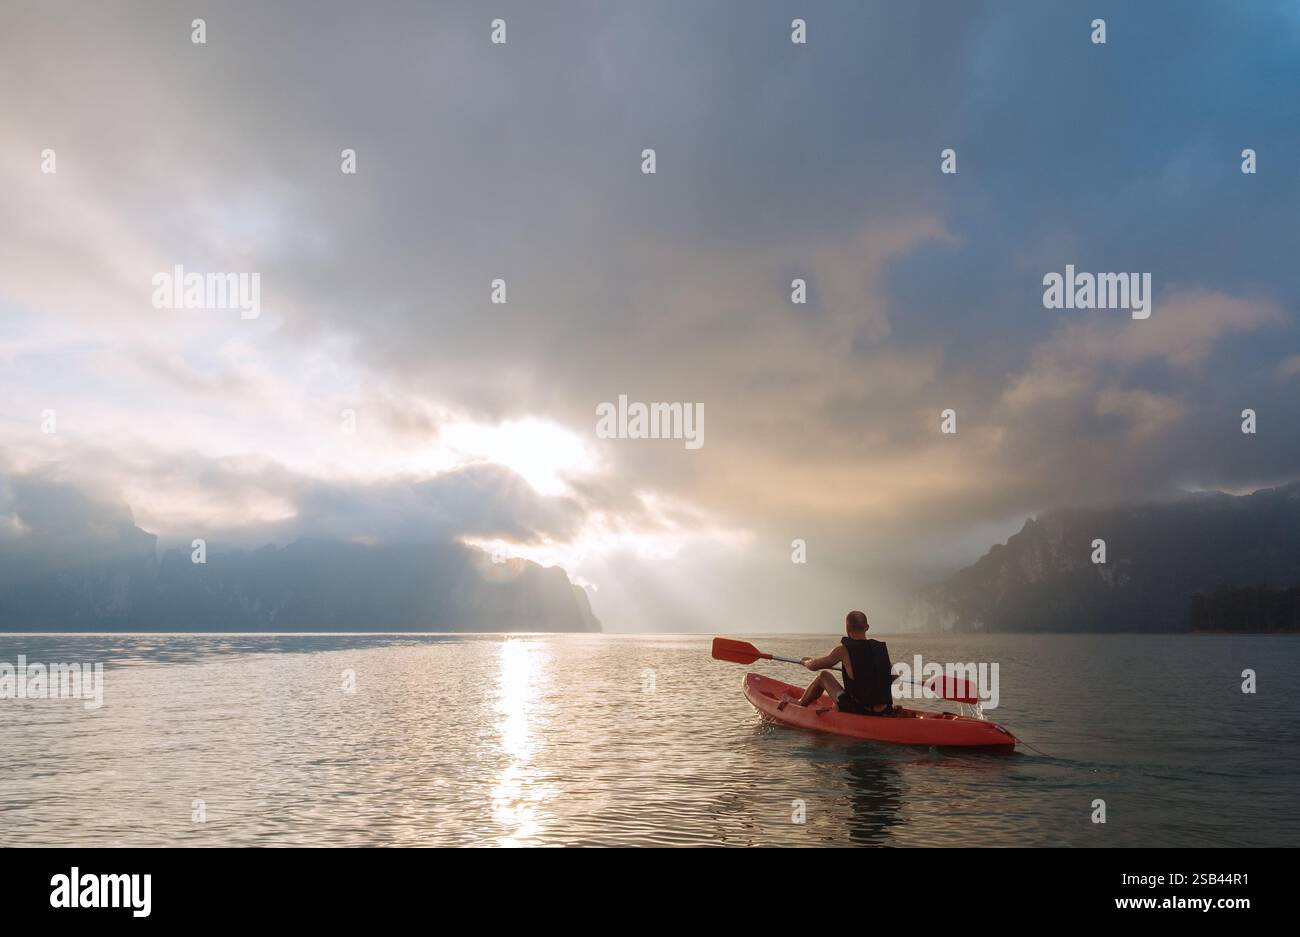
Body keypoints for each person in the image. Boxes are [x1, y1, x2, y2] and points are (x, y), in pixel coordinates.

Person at [779, 610, 896, 715]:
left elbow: (814, 666)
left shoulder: (843, 650)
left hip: (859, 709)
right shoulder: (878, 650)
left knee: (823, 676)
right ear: (867, 627)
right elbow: (894, 675)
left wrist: (805, 662)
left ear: (847, 628)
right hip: (885, 709)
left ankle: (800, 702)